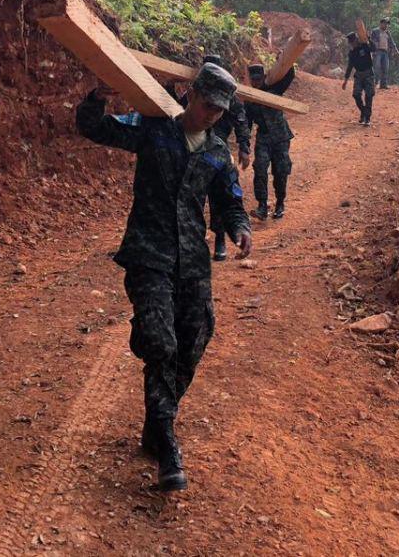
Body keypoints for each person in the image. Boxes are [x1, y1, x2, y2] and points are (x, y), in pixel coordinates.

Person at [75, 63, 251, 492]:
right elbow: (95, 129)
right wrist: (97, 97)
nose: (212, 115)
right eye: (208, 105)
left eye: (220, 110)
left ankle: (156, 423)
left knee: (195, 338)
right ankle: (167, 443)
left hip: (192, 261)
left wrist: (240, 227)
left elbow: (230, 201)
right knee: (160, 342)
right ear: (192, 95)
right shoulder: (153, 128)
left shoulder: (217, 152)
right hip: (149, 254)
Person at [202, 55, 251, 260]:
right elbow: (172, 108)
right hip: (191, 143)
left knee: (219, 194)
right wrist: (169, 85)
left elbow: (241, 121)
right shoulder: (196, 92)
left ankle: (220, 237)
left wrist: (244, 147)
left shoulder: (230, 98)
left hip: (216, 150)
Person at [244, 63, 296, 221]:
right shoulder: (249, 99)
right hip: (264, 138)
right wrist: (244, 145)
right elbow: (247, 124)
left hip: (281, 137)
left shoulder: (275, 89)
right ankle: (262, 206)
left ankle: (280, 204)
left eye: (259, 79)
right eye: (254, 80)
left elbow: (289, 76)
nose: (256, 83)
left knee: (280, 171)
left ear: (264, 77)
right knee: (260, 168)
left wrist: (286, 62)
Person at [343, 31, 376, 126]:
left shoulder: (365, 46)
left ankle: (367, 118)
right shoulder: (352, 53)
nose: (352, 44)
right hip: (358, 75)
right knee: (356, 95)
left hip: (368, 73)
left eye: (353, 42)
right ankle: (364, 112)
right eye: (350, 42)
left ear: (356, 40)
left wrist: (369, 39)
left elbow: (374, 48)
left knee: (369, 95)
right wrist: (345, 80)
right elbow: (350, 66)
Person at [369, 18, 399, 89]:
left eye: (387, 24)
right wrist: (373, 49)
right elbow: (371, 41)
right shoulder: (375, 31)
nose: (386, 25)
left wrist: (396, 50)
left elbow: (392, 42)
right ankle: (375, 82)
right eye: (385, 24)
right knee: (377, 67)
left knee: (385, 68)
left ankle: (383, 84)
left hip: (385, 52)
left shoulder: (387, 32)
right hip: (377, 51)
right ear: (381, 24)